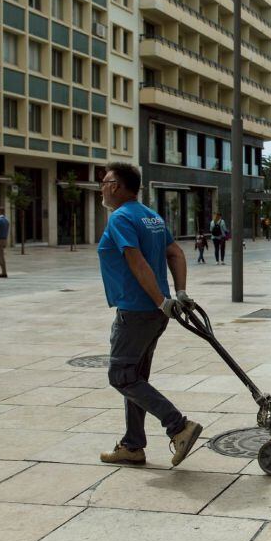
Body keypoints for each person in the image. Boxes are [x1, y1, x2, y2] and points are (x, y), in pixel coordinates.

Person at [96, 162, 203, 468]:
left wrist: (159, 300)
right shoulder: (151, 216)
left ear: (116, 185)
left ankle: (178, 426)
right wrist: (177, 293)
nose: (102, 187)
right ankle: (132, 445)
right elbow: (175, 252)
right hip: (156, 313)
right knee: (136, 378)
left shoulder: (120, 218)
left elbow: (136, 262)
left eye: (105, 182)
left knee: (120, 376)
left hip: (137, 311)